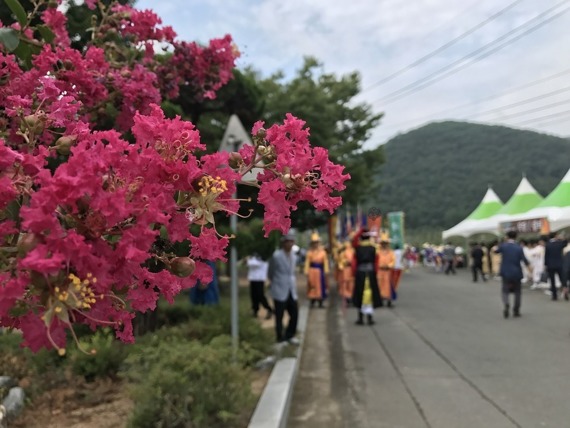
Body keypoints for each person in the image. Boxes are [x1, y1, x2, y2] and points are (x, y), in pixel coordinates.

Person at [268, 231, 299, 344]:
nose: (290, 244)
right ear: (283, 243)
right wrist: (273, 281)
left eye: (292, 241)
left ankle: (290, 335)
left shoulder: (294, 256)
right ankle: (280, 337)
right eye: (288, 241)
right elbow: (270, 271)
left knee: (294, 314)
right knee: (279, 315)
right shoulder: (276, 256)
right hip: (279, 287)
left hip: (291, 288)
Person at [495, 230, 531, 318]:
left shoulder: (503, 246)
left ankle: (506, 303)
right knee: (517, 292)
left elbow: (496, 251)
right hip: (516, 272)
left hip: (505, 272)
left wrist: (503, 242)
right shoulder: (519, 247)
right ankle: (516, 310)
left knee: (505, 290)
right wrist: (530, 269)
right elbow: (524, 260)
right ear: (516, 237)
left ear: (507, 237)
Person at [352, 228, 383, 325]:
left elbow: (354, 263)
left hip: (360, 273)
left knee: (360, 294)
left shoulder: (357, 249)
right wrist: (375, 272)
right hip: (371, 273)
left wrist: (354, 273)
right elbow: (377, 263)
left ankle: (360, 318)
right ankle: (370, 318)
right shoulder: (373, 249)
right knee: (370, 294)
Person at [305, 232, 329, 308]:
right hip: (312, 271)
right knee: (312, 286)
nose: (315, 244)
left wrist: (326, 271)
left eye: (316, 242)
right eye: (314, 243)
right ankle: (312, 301)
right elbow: (307, 263)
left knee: (321, 286)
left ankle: (320, 302)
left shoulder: (323, 252)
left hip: (320, 271)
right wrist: (306, 271)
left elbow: (325, 262)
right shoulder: (309, 252)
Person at [246, 253, 273, 319]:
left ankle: (269, 309)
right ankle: (255, 310)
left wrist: (247, 259)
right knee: (253, 296)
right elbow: (249, 264)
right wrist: (248, 259)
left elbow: (253, 264)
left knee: (260, 295)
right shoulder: (254, 258)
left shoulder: (262, 259)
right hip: (253, 279)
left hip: (259, 280)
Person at [544, 231, 568, 301]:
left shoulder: (547, 244)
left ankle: (554, 295)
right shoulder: (559, 243)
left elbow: (546, 256)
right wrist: (562, 238)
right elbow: (565, 243)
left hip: (550, 265)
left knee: (552, 281)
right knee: (562, 279)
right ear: (555, 236)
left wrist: (545, 265)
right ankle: (565, 290)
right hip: (559, 264)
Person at [377, 235, 396, 307]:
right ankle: (380, 300)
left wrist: (388, 266)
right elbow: (376, 261)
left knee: (388, 286)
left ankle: (389, 300)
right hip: (380, 271)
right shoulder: (378, 252)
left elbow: (393, 261)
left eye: (385, 243)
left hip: (388, 271)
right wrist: (380, 265)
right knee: (379, 285)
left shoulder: (391, 252)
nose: (384, 245)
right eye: (383, 243)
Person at [338, 241, 355, 305]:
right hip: (346, 269)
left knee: (351, 283)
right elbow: (340, 262)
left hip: (351, 269)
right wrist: (346, 262)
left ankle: (351, 296)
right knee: (345, 283)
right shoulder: (343, 253)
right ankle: (347, 296)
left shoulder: (353, 252)